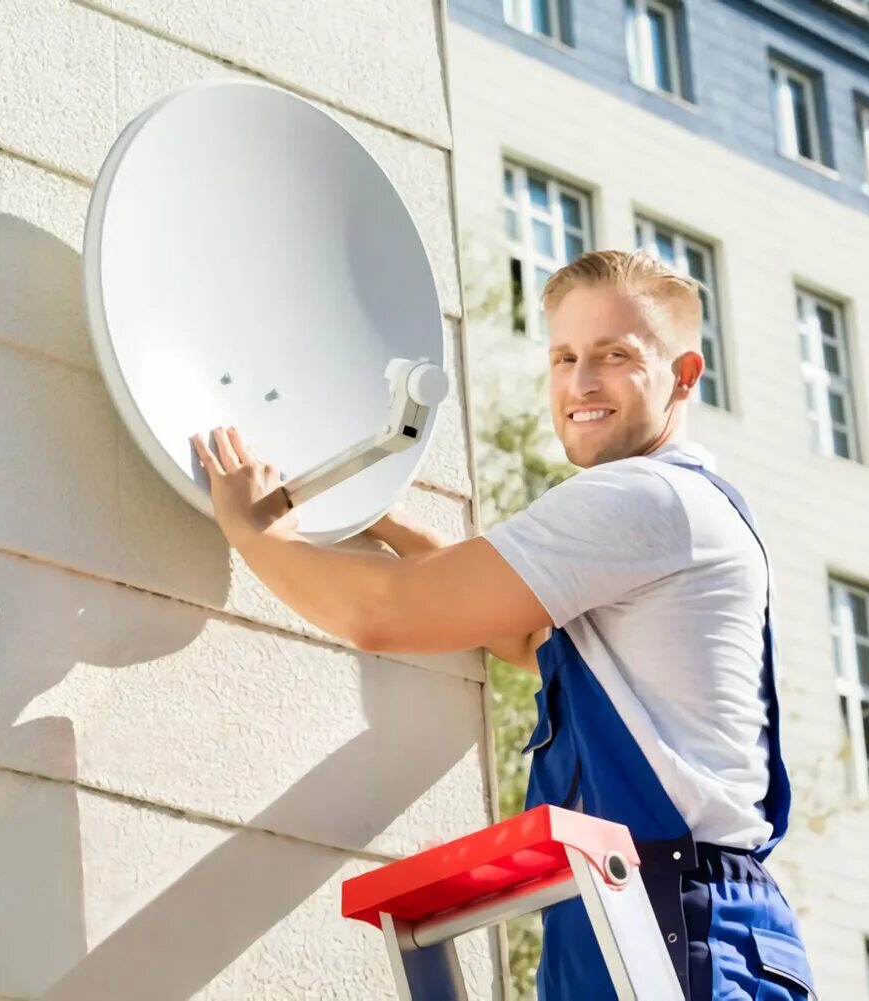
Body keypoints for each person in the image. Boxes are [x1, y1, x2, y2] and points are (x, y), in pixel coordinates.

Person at [190, 250, 814, 1000]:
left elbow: (381, 614)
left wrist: (256, 532)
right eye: (564, 356)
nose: (581, 382)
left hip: (674, 917)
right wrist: (388, 525)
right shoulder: (668, 515)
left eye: (615, 357)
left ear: (685, 374)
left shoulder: (645, 498)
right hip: (624, 911)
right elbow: (527, 639)